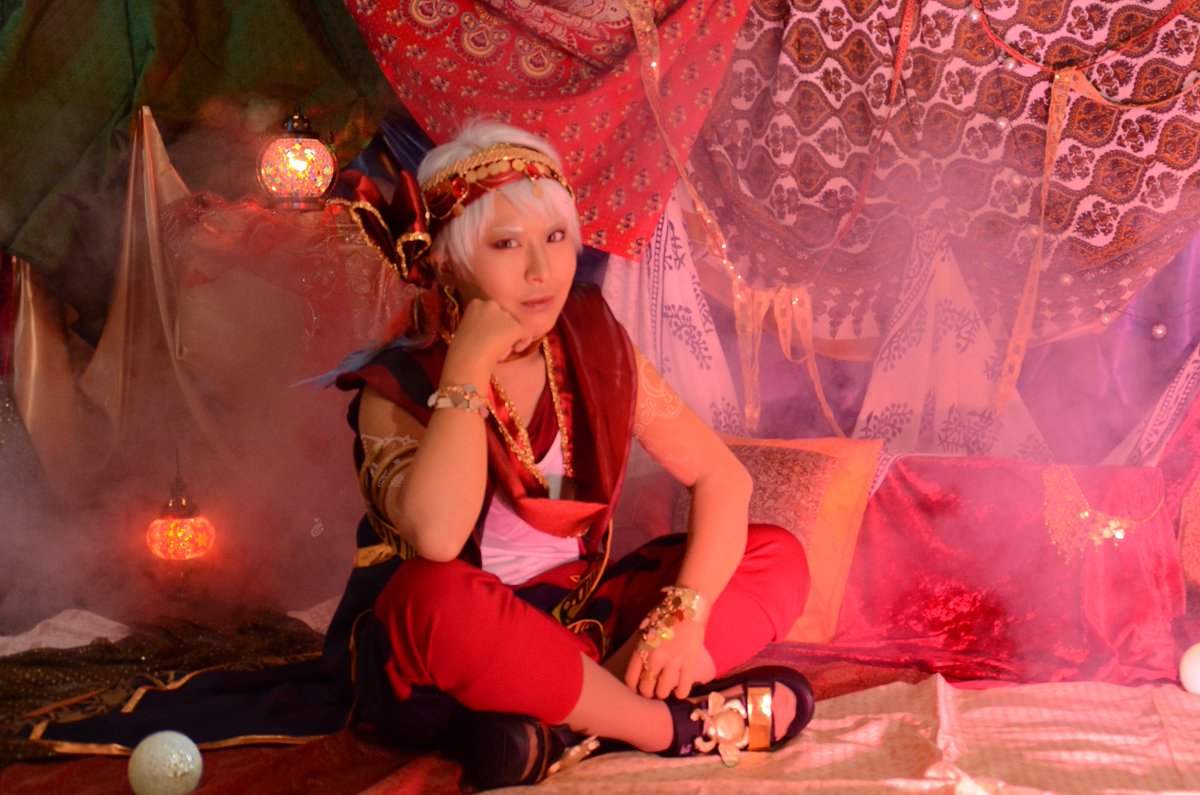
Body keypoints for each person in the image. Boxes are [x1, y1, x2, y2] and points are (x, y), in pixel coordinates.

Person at [323, 119, 816, 789]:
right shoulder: (395, 385)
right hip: (458, 649)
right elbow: (439, 536)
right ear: (446, 260)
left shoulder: (594, 343)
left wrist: (683, 616)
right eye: (506, 244)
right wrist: (466, 365)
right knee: (431, 594)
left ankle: (565, 724)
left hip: (581, 620)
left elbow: (721, 478)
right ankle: (667, 726)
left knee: (775, 555)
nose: (542, 270)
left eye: (555, 237)